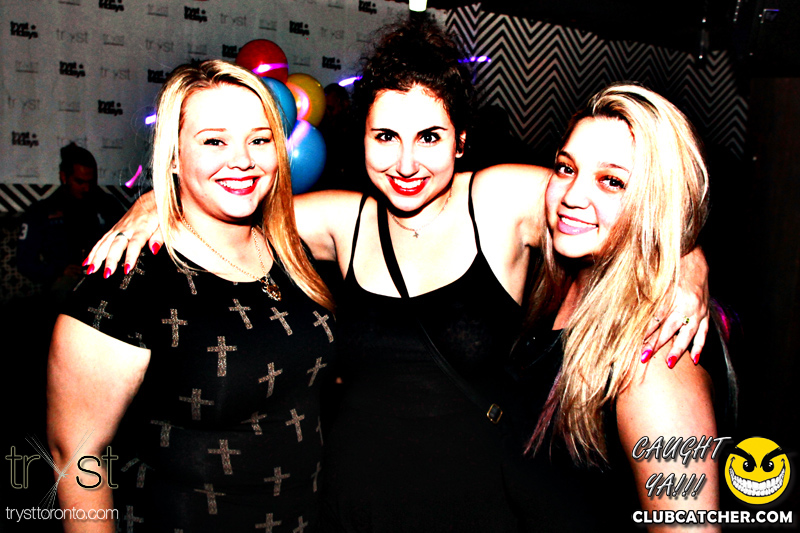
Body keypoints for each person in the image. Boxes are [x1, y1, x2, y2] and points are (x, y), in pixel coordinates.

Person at [83, 20, 711, 532]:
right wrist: (157, 200)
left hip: (474, 511)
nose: (406, 162)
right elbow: (233, 205)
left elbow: (630, 208)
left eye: (430, 137)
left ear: (460, 140)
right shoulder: (344, 222)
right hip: (346, 507)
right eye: (385, 136)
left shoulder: (502, 200)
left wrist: (688, 269)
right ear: (361, 139)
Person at [47, 60, 335, 532]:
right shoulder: (126, 281)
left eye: (260, 140)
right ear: (175, 156)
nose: (242, 160)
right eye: (214, 141)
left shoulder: (292, 252)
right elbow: (76, 455)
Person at [513, 84, 737, 531]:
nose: (573, 196)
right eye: (566, 168)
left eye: (611, 181)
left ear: (657, 202)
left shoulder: (655, 360)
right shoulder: (563, 280)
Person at [17, 142, 124, 300]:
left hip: (105, 276)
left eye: (90, 182)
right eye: (80, 182)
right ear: (64, 177)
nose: (86, 188)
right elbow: (25, 262)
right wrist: (58, 270)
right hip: (65, 283)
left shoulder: (107, 204)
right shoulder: (42, 211)